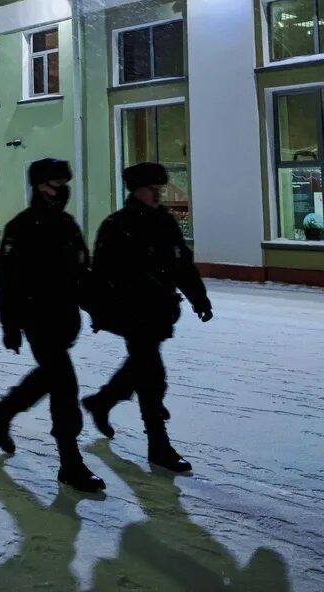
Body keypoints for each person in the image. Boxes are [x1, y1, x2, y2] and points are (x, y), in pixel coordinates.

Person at [0, 158, 104, 493]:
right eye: (54, 184)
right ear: (38, 187)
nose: (61, 191)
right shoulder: (21, 227)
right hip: (36, 319)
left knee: (50, 376)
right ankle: (70, 463)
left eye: (64, 184)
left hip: (65, 319)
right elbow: (6, 282)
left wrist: (96, 308)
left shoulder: (67, 225)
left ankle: (2, 410)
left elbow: (81, 273)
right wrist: (10, 325)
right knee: (65, 386)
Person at [81, 162, 214, 474]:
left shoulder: (164, 221)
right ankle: (158, 444)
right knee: (152, 375)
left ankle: (102, 401)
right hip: (131, 313)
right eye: (152, 189)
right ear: (136, 190)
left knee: (141, 367)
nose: (158, 194)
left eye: (160, 188)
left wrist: (199, 298)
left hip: (159, 312)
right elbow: (103, 275)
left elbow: (182, 264)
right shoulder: (117, 225)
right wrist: (116, 304)